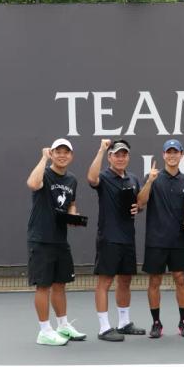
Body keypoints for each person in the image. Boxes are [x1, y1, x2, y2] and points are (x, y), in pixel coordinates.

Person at [137, 139, 184, 339]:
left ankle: (183, 322)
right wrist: (149, 181)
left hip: (178, 240)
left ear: (181, 155)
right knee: (154, 280)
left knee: (181, 279)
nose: (172, 155)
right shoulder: (153, 177)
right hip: (156, 240)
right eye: (169, 152)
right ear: (164, 155)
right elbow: (140, 202)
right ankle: (156, 323)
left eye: (176, 152)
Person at [26, 138, 86, 346]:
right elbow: (33, 184)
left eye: (66, 152)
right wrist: (43, 158)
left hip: (60, 240)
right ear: (51, 153)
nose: (62, 155)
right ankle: (44, 331)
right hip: (41, 239)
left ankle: (62, 326)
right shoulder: (43, 173)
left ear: (71, 156)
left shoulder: (72, 179)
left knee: (60, 284)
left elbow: (71, 202)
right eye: (58, 151)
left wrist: (72, 214)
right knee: (43, 286)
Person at [87, 139, 145, 342]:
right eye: (117, 155)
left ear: (128, 157)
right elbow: (91, 178)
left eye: (124, 154)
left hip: (128, 238)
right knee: (105, 282)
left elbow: (139, 203)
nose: (121, 158)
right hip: (108, 238)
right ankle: (104, 327)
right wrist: (101, 149)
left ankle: (124, 323)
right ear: (110, 157)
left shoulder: (133, 178)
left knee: (125, 280)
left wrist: (138, 207)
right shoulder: (103, 177)